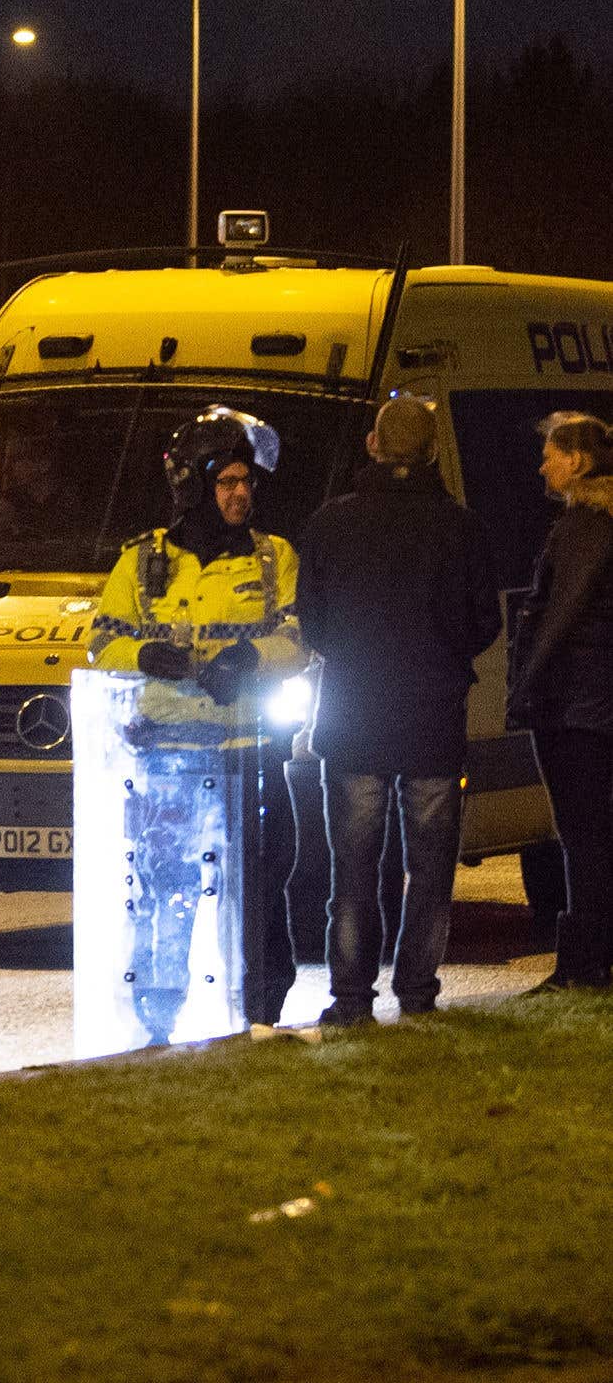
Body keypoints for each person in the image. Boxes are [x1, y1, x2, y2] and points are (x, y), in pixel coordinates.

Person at [87, 407, 309, 1031]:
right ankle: (157, 1020)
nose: (241, 494)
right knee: (166, 895)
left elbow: (298, 640)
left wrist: (249, 656)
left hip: (251, 758)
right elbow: (101, 645)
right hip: (166, 762)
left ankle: (259, 1015)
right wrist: (148, 655)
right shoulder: (141, 562)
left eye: (246, 481)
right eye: (227, 482)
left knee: (260, 897)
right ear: (193, 488)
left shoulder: (275, 558)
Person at [295, 394, 500, 1024]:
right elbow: (484, 623)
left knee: (352, 874)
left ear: (372, 445)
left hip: (354, 718)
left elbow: (315, 624)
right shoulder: (460, 527)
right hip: (433, 717)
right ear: (435, 450)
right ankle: (417, 993)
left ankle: (351, 999)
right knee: (430, 872)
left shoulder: (332, 522)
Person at [508, 410, 613, 993]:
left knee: (583, 833)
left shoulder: (583, 527)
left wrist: (527, 688)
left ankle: (581, 966)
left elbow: (560, 616)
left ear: (578, 461)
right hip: (599, 699)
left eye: (552, 453)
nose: (541, 464)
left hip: (577, 704)